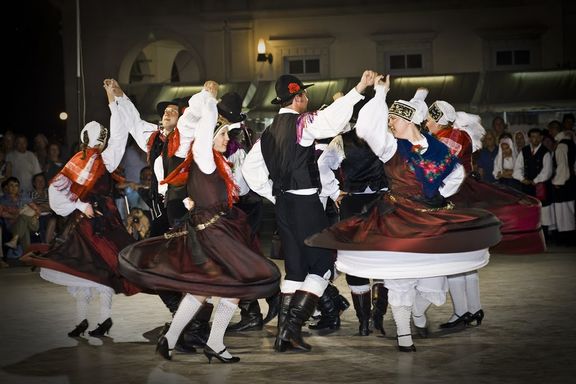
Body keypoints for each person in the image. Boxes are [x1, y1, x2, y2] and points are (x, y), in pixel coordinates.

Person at [306, 75, 502, 352]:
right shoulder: (389, 147)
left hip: (430, 219)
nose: (389, 124)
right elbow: (366, 127)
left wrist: (436, 195)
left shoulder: (437, 147)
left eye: (394, 120)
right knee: (399, 281)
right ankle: (403, 335)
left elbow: (456, 174)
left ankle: (418, 314)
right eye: (389, 120)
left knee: (433, 286)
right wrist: (379, 93)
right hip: (397, 218)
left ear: (409, 121)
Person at [118, 84, 281, 363]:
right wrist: (208, 98)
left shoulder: (217, 164)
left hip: (215, 231)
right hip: (214, 234)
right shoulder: (205, 158)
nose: (225, 139)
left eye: (226, 135)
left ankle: (171, 339)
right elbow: (203, 128)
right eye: (222, 134)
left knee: (201, 291)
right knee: (236, 287)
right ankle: (214, 342)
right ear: (211, 136)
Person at [242, 70, 376, 352]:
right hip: (305, 204)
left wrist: (274, 194)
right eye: (305, 94)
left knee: (295, 271)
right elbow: (332, 121)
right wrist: (359, 89)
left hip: (284, 205)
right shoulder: (302, 123)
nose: (307, 98)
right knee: (323, 266)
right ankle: (290, 330)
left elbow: (249, 170)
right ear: (299, 98)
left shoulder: (266, 133)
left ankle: (283, 335)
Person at [21, 80, 141, 337]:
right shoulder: (84, 162)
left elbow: (119, 134)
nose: (101, 143)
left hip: (98, 223)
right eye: (100, 139)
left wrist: (112, 99)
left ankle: (101, 319)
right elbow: (57, 194)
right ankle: (86, 320)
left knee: (98, 270)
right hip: (89, 223)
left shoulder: (95, 160)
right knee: (88, 270)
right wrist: (79, 204)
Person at [113, 80, 213, 352]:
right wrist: (119, 97)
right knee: (158, 268)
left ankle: (192, 327)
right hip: (163, 211)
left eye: (173, 111)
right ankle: (186, 322)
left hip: (182, 208)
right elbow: (133, 122)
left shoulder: (184, 139)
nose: (167, 113)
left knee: (186, 269)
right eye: (165, 111)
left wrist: (206, 95)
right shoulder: (154, 137)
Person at [316, 127, 389, 336]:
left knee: (355, 261)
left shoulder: (342, 140)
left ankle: (364, 323)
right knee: (382, 259)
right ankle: (378, 315)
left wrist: (334, 192)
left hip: (352, 203)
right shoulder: (387, 135)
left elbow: (322, 165)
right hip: (381, 202)